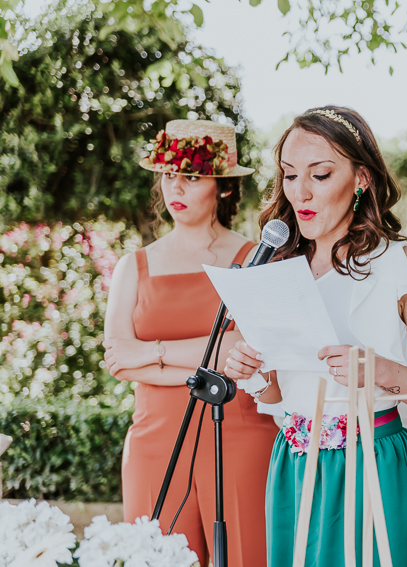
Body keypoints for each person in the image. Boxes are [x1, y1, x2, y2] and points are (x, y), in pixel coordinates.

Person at [223, 106, 407, 567]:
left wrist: (382, 372)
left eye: (321, 174)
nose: (301, 192)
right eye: (290, 176)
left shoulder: (401, 266)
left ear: (361, 179)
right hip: (293, 463)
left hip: (374, 460)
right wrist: (253, 373)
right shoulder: (273, 267)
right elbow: (278, 394)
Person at [103, 120, 279, 566]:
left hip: (240, 434)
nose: (175, 187)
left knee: (247, 554)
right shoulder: (133, 266)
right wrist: (209, 359)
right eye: (168, 174)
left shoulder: (256, 259)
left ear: (222, 187)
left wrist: (153, 352)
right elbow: (119, 361)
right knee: (156, 557)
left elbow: (244, 350)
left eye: (192, 177)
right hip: (154, 440)